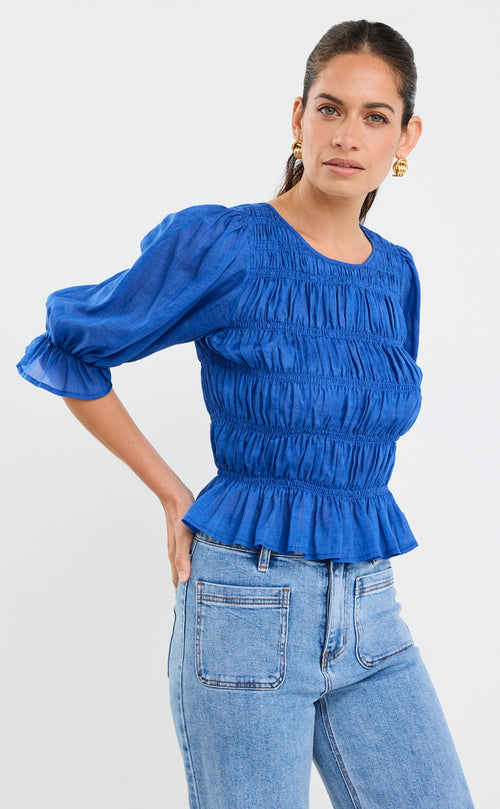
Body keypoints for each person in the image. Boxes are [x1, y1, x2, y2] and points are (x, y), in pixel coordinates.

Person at [17, 19, 476, 809]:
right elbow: (72, 349)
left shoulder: (397, 275)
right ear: (298, 117)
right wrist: (171, 491)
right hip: (246, 607)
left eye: (374, 116)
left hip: (372, 612)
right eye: (330, 108)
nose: (347, 135)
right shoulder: (227, 244)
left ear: (406, 137)